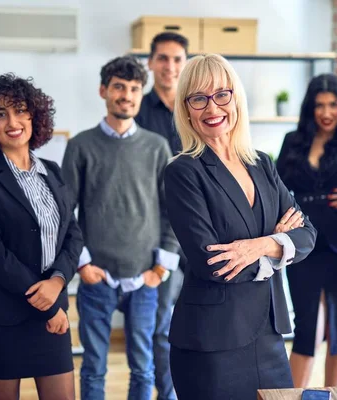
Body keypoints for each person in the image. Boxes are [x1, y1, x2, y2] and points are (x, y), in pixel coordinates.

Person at [164, 53, 317, 400]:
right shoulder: (183, 172)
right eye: (198, 98)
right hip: (211, 341)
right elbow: (213, 264)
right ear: (186, 110)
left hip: (269, 335)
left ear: (236, 98)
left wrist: (258, 246)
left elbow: (307, 234)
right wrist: (280, 242)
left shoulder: (262, 163)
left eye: (222, 94)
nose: (212, 107)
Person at [0, 73, 83, 400]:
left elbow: (72, 234)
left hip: (50, 309)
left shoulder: (52, 171)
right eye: (0, 114)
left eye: (20, 110)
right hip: (0, 316)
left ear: (34, 115)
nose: (12, 121)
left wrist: (57, 282)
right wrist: (49, 306)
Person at [61, 55, 180, 400]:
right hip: (96, 278)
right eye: (118, 88)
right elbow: (65, 212)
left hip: (145, 279)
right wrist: (82, 264)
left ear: (141, 95)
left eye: (133, 89)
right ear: (104, 91)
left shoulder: (157, 147)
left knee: (143, 366)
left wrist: (160, 268)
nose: (126, 95)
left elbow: (171, 213)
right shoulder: (81, 146)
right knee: (94, 367)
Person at [275, 74, 337, 387]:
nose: (327, 112)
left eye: (333, 104)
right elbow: (277, 187)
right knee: (307, 327)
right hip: (304, 240)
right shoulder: (293, 140)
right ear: (310, 107)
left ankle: (333, 395)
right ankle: (293, 396)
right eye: (319, 105)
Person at [134, 31, 188, 400]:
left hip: (202, 229)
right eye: (163, 58)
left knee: (198, 322)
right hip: (156, 231)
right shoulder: (136, 111)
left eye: (177, 59)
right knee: (160, 325)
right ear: (150, 63)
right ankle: (168, 394)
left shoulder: (198, 107)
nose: (170, 66)